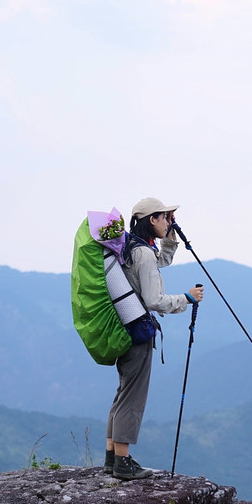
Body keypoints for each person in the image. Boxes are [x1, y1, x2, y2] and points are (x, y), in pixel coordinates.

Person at [105, 197, 205, 480]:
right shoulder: (143, 253)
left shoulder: (131, 249)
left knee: (123, 392)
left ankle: (112, 458)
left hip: (124, 327)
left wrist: (170, 240)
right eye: (165, 218)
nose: (168, 222)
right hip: (138, 332)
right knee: (132, 398)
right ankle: (123, 464)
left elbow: (158, 262)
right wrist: (186, 299)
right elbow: (153, 299)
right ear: (152, 219)